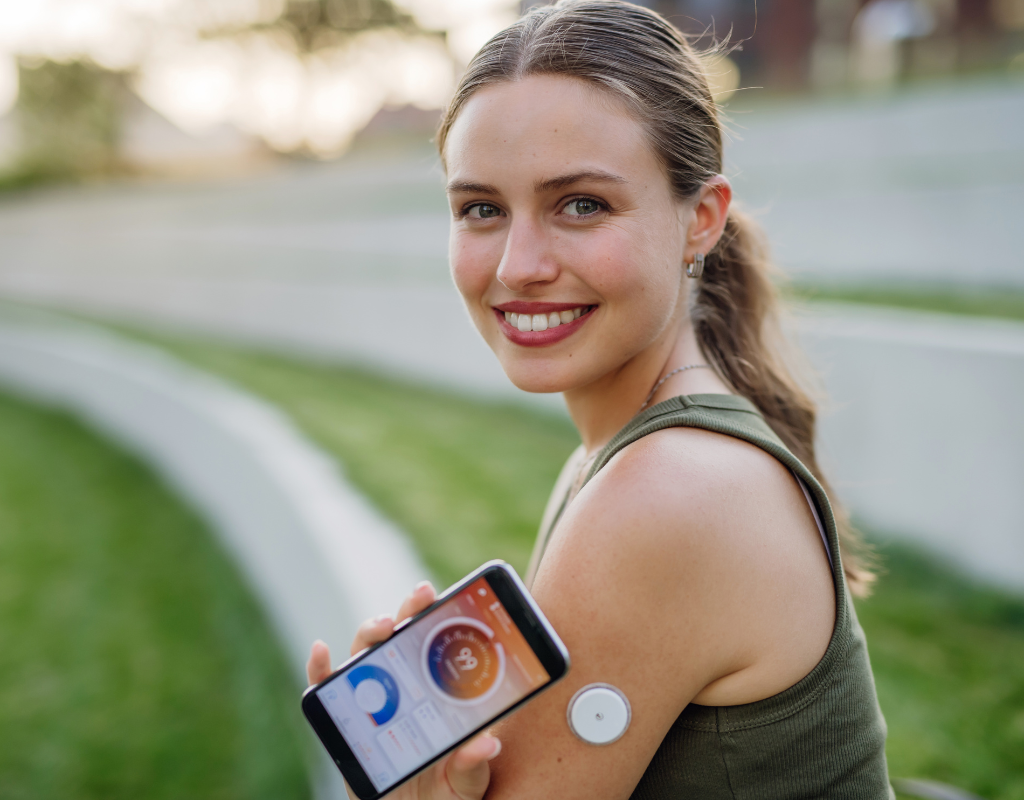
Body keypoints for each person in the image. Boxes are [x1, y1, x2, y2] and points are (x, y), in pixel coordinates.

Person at [307, 1, 893, 797]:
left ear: (702, 220)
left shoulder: (669, 493)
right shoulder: (618, 457)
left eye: (581, 204)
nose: (519, 265)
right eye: (481, 209)